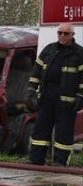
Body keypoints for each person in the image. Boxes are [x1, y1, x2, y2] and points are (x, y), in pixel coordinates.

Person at [26, 22, 83, 166]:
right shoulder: (49, 50)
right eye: (60, 33)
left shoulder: (79, 53)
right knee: (40, 129)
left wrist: (81, 97)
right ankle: (36, 160)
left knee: (64, 132)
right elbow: (36, 72)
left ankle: (60, 162)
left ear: (72, 35)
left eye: (66, 33)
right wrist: (31, 89)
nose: (62, 36)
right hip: (46, 95)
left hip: (67, 99)